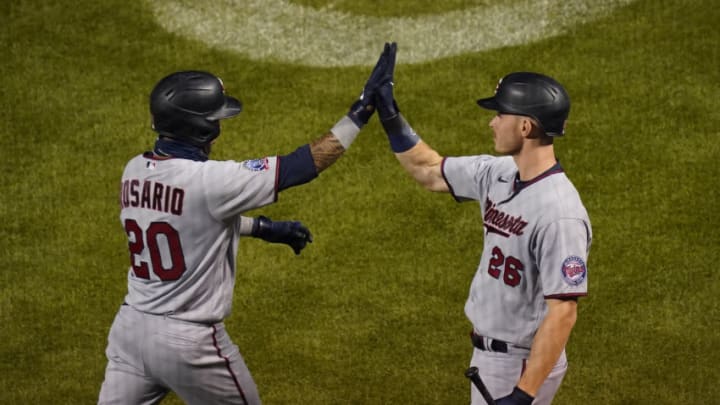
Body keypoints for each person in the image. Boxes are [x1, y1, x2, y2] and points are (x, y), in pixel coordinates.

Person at [99, 44, 396, 405]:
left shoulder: (133, 171)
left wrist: (263, 228)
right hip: (188, 343)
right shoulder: (211, 181)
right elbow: (305, 164)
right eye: (216, 120)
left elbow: (186, 222)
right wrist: (361, 111)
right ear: (201, 128)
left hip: (130, 330)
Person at [373, 43, 591, 405]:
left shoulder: (560, 212)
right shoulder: (499, 173)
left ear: (525, 126)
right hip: (491, 357)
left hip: (522, 363)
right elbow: (429, 171)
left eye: (499, 114)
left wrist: (524, 393)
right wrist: (390, 115)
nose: (492, 121)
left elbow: (564, 310)